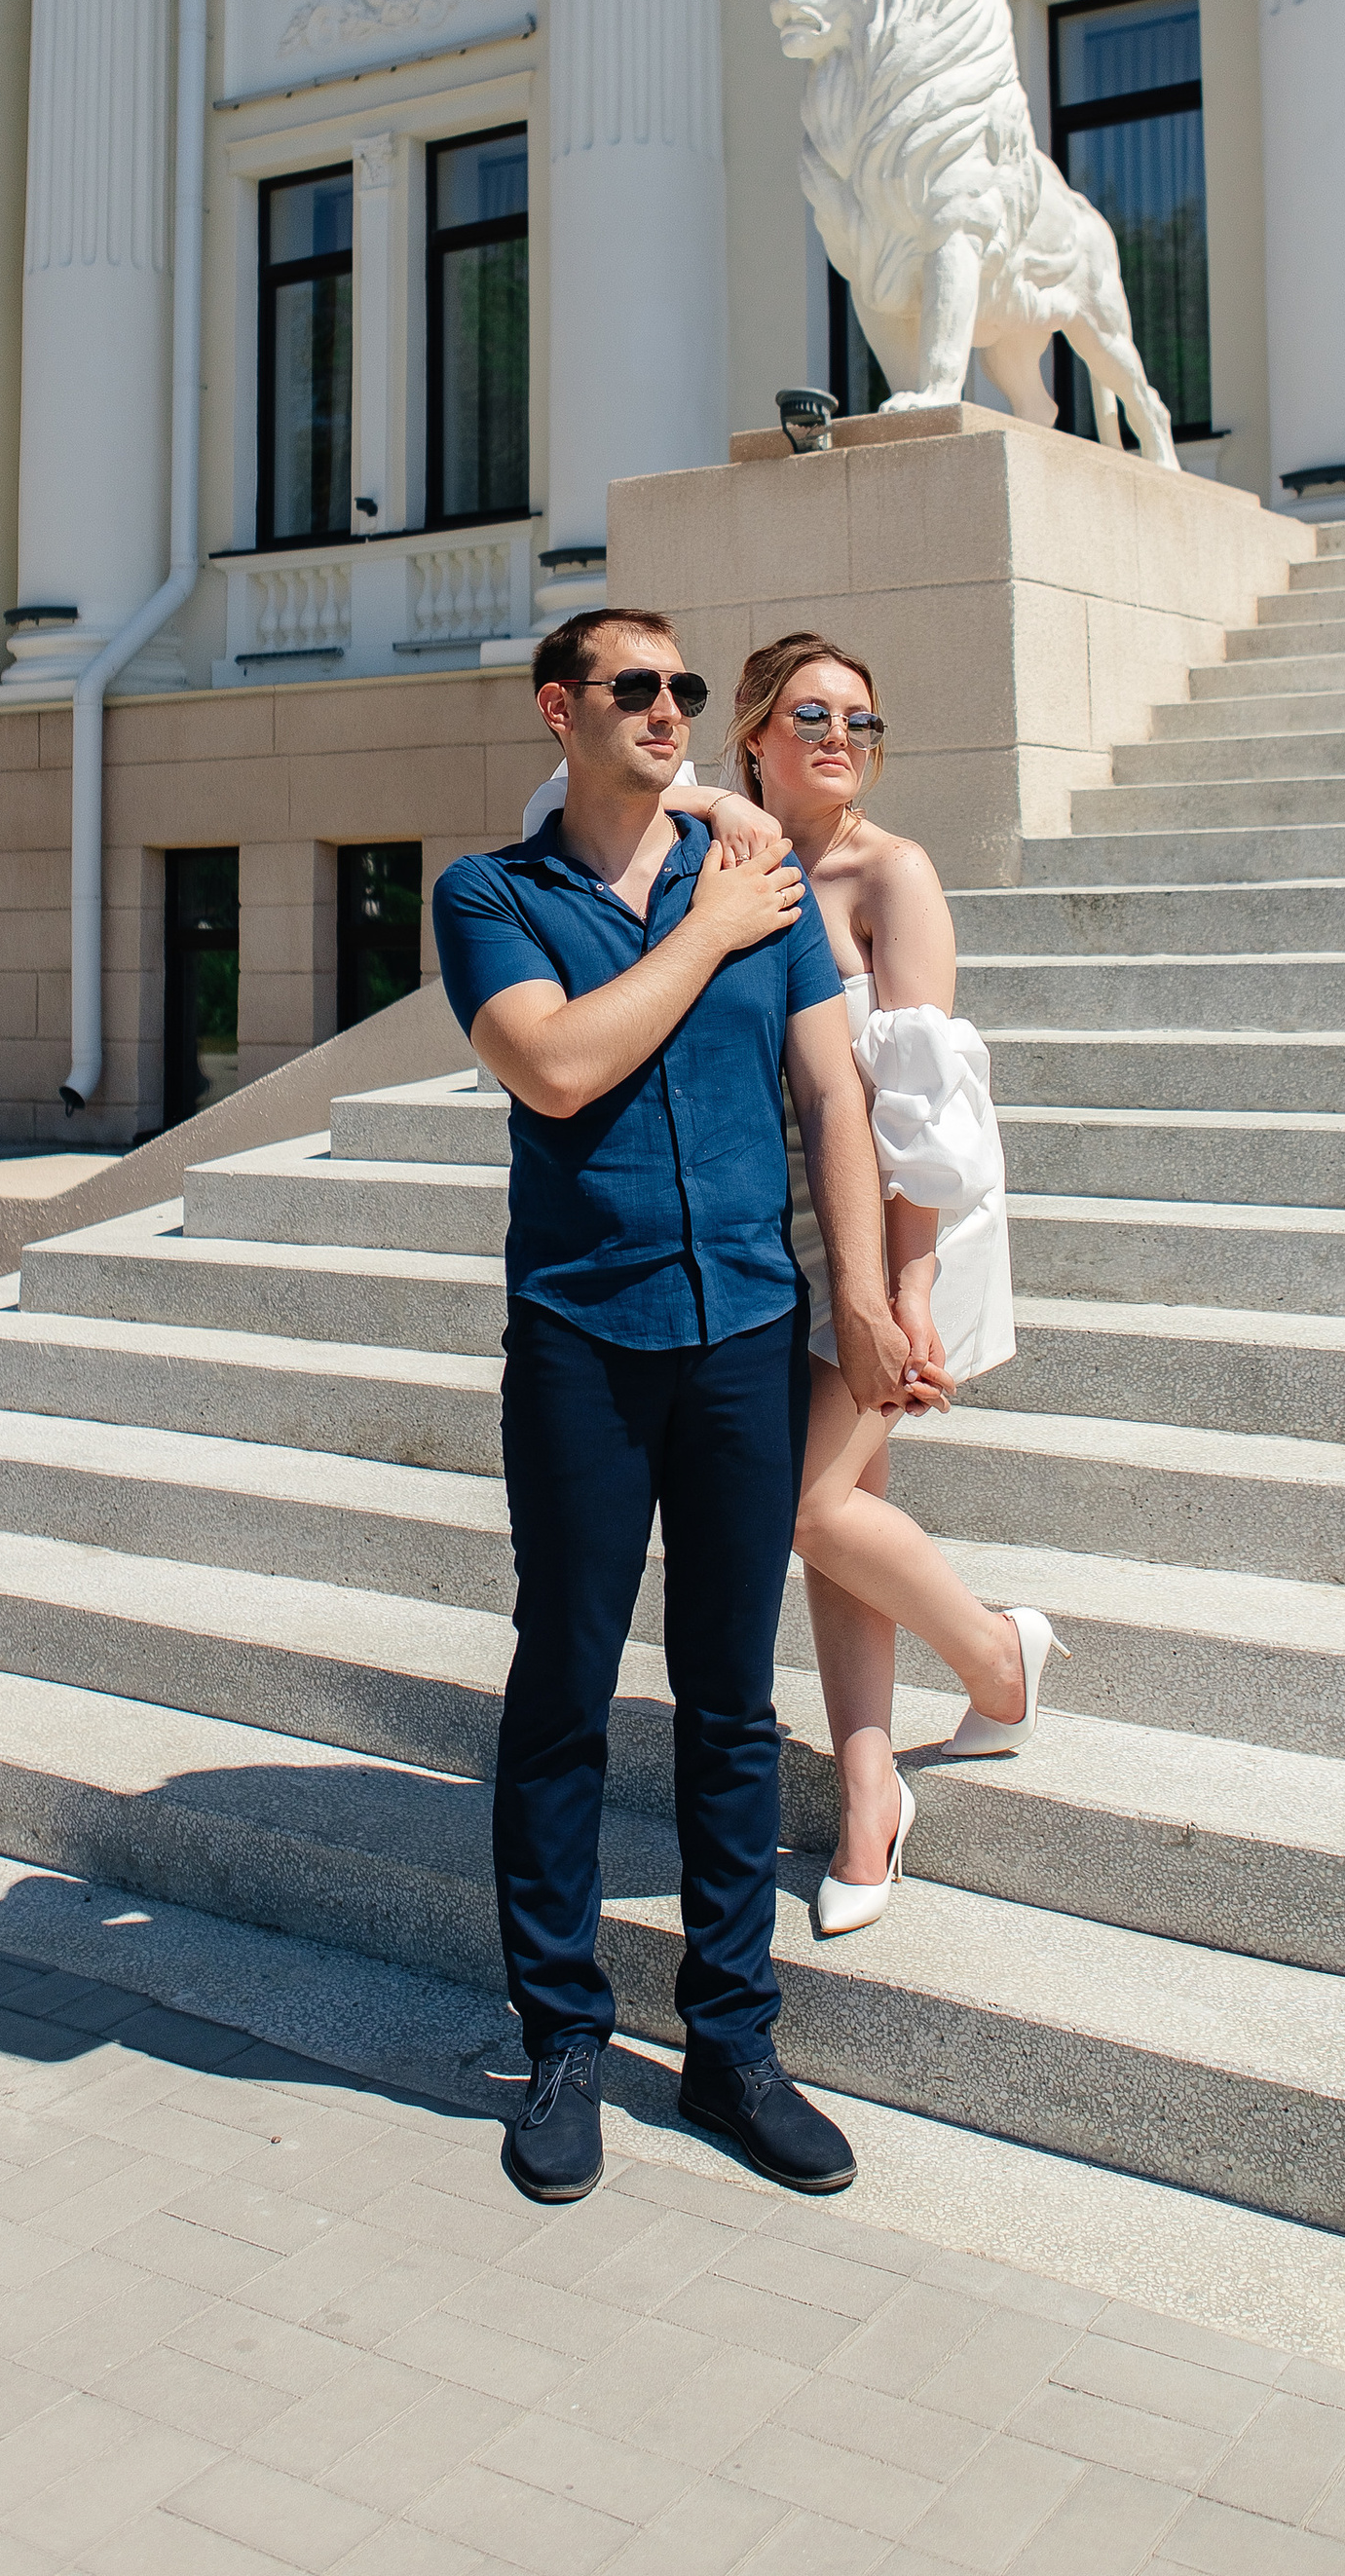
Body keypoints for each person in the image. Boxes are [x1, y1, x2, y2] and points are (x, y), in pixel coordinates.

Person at [430, 608, 920, 2212]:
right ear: (559, 712)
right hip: (582, 1337)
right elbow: (558, 1068)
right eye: (636, 688)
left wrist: (857, 1287)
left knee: (726, 1704)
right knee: (564, 1685)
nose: (669, 710)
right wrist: (703, 928)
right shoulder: (493, 895)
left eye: (686, 691)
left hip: (744, 1333)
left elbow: (834, 1091)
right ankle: (563, 2037)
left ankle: (733, 2041)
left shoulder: (761, 877)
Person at [726, 631, 1063, 1935]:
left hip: (904, 1232)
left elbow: (926, 1110)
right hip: (780, 1230)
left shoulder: (892, 873)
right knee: (843, 1510)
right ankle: (870, 1794)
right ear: (752, 730)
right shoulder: (726, 869)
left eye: (860, 722)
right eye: (808, 714)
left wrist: (910, 1283)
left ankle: (994, 1655)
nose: (838, 738)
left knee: (810, 1510)